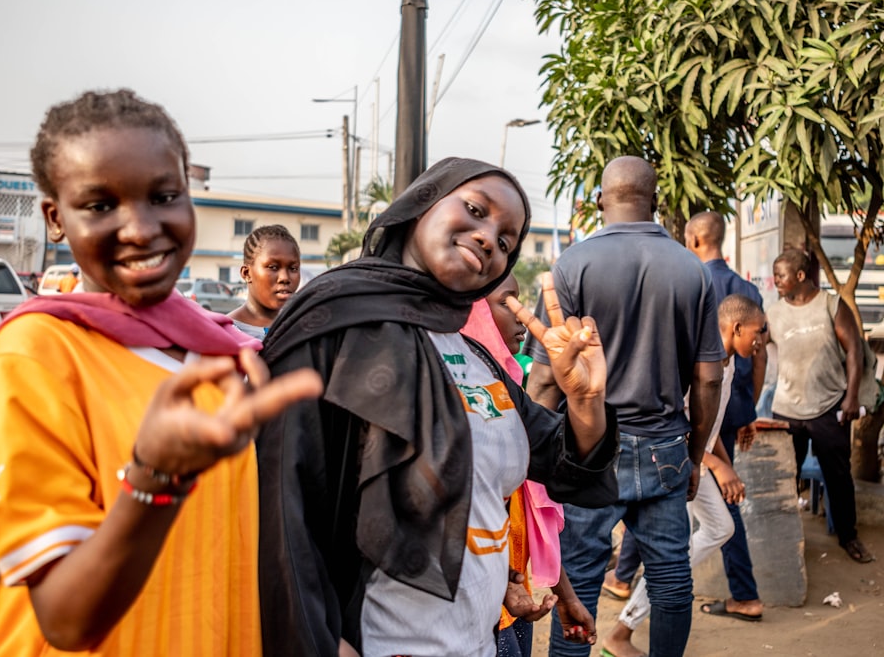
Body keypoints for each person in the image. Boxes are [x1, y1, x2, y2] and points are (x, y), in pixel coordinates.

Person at [0, 89, 323, 656]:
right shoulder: (36, 355)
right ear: (56, 219)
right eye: (101, 205)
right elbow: (64, 619)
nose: (140, 227)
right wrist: (155, 479)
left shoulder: (220, 354)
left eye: (164, 195)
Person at [256, 157, 620, 657]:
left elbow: (563, 463)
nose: (490, 237)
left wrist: (584, 400)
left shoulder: (475, 358)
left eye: (507, 240)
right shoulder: (331, 326)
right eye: (475, 209)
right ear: (423, 203)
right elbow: (280, 515)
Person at [523, 155, 725, 657]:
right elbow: (708, 377)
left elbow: (546, 380)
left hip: (590, 452)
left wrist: (531, 464)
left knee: (580, 583)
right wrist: (696, 456)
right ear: (654, 201)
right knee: (672, 581)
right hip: (666, 448)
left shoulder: (571, 265)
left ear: (598, 200)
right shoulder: (691, 270)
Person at [601, 294, 765, 657]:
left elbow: (710, 424)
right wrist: (718, 465)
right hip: (678, 463)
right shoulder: (700, 363)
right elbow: (682, 428)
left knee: (714, 533)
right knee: (687, 551)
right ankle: (621, 631)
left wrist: (724, 461)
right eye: (759, 332)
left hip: (698, 461)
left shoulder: (731, 363)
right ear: (736, 328)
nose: (761, 340)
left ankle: (626, 624)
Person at [465, 273, 596, 657]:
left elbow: (536, 507)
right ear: (473, 313)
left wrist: (565, 596)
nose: (522, 319)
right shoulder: (463, 407)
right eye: (507, 303)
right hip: (477, 612)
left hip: (514, 596)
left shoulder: (510, 396)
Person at [767, 248, 875, 564]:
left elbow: (854, 350)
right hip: (787, 409)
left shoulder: (830, 305)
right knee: (786, 476)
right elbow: (757, 353)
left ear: (800, 276)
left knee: (838, 477)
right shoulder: (772, 312)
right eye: (775, 276)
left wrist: (852, 397)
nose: (776, 282)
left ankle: (848, 537)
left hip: (829, 406)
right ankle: (783, 539)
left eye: (781, 276)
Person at [684, 211, 766, 621]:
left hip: (700, 426)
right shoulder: (746, 288)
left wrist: (715, 461)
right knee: (703, 502)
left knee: (704, 503)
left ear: (695, 240)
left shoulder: (688, 281)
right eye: (757, 332)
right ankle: (639, 583)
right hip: (712, 424)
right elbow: (760, 355)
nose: (760, 338)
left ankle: (633, 580)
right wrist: (749, 410)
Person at [227, 224, 301, 340]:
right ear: (247, 273)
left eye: (293, 269)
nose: (285, 278)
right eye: (273, 267)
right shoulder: (224, 332)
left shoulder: (303, 328)